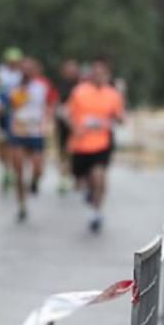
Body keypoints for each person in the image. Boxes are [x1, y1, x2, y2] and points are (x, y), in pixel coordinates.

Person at [67, 57, 124, 233]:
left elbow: (120, 117)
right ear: (91, 75)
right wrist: (75, 128)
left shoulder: (113, 94)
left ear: (107, 76)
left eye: (103, 74)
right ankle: (89, 194)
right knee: (81, 180)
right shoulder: (79, 92)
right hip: (81, 145)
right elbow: (67, 114)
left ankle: (96, 213)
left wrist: (117, 119)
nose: (99, 77)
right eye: (96, 73)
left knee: (99, 176)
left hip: (102, 143)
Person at [7, 58, 51, 221]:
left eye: (29, 69)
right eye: (23, 69)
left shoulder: (42, 87)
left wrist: (47, 121)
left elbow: (47, 106)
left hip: (36, 132)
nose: (26, 72)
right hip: (18, 131)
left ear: (34, 71)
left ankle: (34, 181)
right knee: (18, 170)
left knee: (38, 167)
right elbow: (9, 106)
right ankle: (21, 205)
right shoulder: (14, 87)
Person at [0, 47, 23, 193]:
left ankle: (10, 170)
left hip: (14, 114)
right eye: (11, 61)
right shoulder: (1, 72)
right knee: (1, 143)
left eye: (15, 61)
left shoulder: (21, 75)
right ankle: (4, 169)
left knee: (12, 144)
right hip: (1, 113)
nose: (13, 64)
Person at [55, 59, 80, 194]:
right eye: (68, 70)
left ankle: (76, 176)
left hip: (79, 125)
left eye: (73, 70)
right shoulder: (61, 86)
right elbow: (57, 104)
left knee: (77, 152)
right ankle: (64, 178)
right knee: (64, 151)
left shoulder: (81, 85)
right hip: (64, 124)